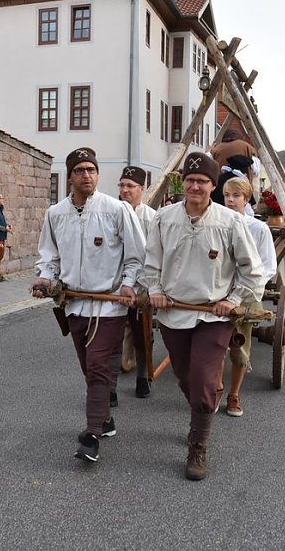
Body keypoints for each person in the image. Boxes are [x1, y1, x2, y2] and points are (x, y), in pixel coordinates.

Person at [141, 153, 264, 480]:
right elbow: (151, 262)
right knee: (186, 377)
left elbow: (253, 271)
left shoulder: (230, 222)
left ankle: (198, 444)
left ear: (213, 186)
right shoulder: (164, 218)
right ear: (183, 182)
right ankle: (203, 405)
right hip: (173, 312)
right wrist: (155, 289)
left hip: (213, 316)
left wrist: (233, 299)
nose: (195, 186)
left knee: (205, 378)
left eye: (203, 181)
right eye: (190, 180)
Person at [31, 147, 145, 463]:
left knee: (97, 366)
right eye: (80, 170)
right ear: (70, 176)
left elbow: (137, 254)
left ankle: (92, 434)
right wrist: (45, 279)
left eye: (91, 170)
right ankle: (105, 418)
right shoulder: (55, 214)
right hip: (74, 304)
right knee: (88, 367)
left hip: (109, 306)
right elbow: (49, 257)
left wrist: (128, 284)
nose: (87, 175)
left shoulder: (116, 210)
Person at [217, 177, 276, 417]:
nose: (230, 200)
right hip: (218, 294)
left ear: (246, 199)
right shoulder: (215, 224)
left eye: (236, 196)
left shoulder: (258, 228)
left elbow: (267, 266)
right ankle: (217, 388)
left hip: (246, 295)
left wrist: (247, 289)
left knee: (239, 348)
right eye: (227, 195)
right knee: (215, 346)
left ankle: (234, 394)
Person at [116, 165, 157, 399]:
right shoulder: (112, 212)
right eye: (121, 185)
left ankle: (143, 376)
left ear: (141, 189)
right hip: (115, 284)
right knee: (110, 334)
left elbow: (154, 256)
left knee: (142, 333)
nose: (125, 190)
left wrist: (145, 287)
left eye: (130, 186)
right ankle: (109, 386)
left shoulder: (152, 219)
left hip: (142, 286)